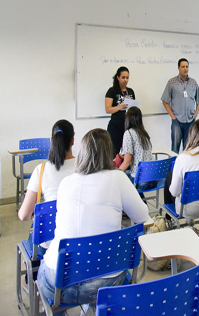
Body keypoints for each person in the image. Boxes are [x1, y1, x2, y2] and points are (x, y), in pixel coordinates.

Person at [37, 129, 150, 315]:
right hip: (105, 282)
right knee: (101, 285)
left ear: (82, 151)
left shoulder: (66, 183)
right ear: (109, 152)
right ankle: (92, 308)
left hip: (58, 283)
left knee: (47, 272)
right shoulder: (118, 179)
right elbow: (142, 216)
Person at [18, 120, 76, 256]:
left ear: (51, 140)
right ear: (73, 141)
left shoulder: (41, 170)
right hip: (78, 241)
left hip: (49, 246)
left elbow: (24, 215)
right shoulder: (84, 166)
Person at [165, 119, 199, 219]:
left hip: (188, 209)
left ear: (191, 135)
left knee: (170, 176)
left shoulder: (182, 158)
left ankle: (168, 219)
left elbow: (174, 192)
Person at [161, 58, 199, 153]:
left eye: (187, 67)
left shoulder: (193, 82)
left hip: (190, 121)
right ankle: (175, 168)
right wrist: (173, 117)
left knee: (189, 148)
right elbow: (165, 101)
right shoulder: (172, 82)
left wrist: (195, 114)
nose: (185, 69)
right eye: (183, 67)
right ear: (178, 68)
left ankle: (187, 167)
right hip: (177, 121)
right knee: (175, 149)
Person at [118, 107, 152, 189]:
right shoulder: (144, 134)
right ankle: (140, 201)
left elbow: (127, 162)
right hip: (151, 178)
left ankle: (133, 201)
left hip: (140, 181)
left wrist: (114, 174)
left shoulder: (128, 133)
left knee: (118, 181)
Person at [105, 66, 135, 156]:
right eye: (123, 77)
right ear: (118, 77)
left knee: (128, 153)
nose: (125, 80)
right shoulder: (112, 91)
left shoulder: (130, 91)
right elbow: (107, 109)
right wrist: (119, 107)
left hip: (128, 127)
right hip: (115, 127)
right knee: (113, 153)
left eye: (127, 78)